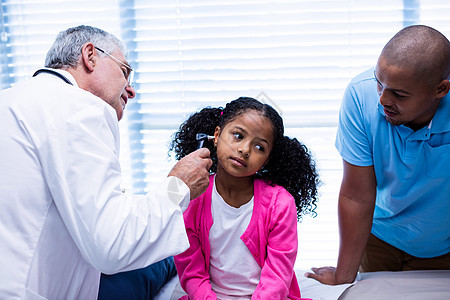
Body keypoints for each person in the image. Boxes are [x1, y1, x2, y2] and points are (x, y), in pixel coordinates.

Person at [0, 25, 212, 299]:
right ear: (90, 55)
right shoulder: (80, 106)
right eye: (125, 71)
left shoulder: (10, 100)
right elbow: (111, 243)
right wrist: (178, 186)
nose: (132, 90)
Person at [305, 25, 450, 285]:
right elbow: (356, 195)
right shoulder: (360, 96)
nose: (382, 99)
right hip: (378, 239)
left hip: (441, 247)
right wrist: (343, 275)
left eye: (399, 94)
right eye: (379, 83)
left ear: (441, 90)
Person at [170, 97, 319, 299]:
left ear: (268, 158)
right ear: (217, 135)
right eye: (238, 136)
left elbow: (277, 277)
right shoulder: (194, 196)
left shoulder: (280, 204)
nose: (245, 150)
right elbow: (192, 272)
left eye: (259, 147)